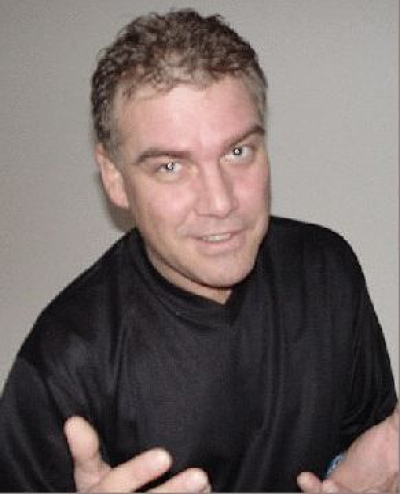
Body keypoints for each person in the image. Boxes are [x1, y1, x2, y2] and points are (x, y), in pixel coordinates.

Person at [0, 9, 397, 493]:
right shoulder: (63, 363)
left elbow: (368, 452)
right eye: (170, 166)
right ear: (114, 177)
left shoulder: (326, 272)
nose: (221, 202)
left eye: (237, 152)